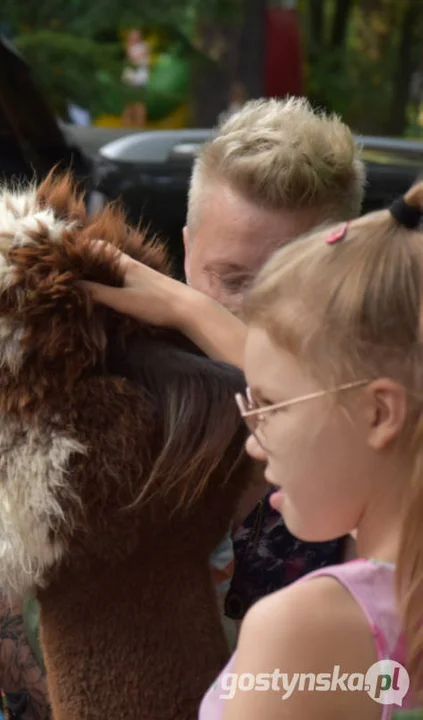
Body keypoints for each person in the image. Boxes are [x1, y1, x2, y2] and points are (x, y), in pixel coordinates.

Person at [85, 182, 423, 718]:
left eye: (272, 406)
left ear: (381, 414)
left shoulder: (305, 629)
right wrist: (186, 307)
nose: (254, 440)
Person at [179, 96, 366, 635]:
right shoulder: (124, 410)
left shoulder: (385, 410)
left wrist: (187, 307)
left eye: (292, 282)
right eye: (232, 280)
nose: (259, 312)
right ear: (186, 251)